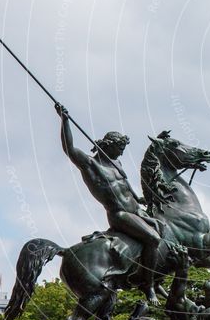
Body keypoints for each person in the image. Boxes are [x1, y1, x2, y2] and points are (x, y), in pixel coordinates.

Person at [55, 103, 163, 304]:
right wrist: (65, 121)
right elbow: (69, 149)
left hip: (136, 210)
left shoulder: (117, 164)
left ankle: (155, 279)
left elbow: (126, 188)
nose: (121, 152)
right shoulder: (91, 165)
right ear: (108, 145)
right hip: (120, 214)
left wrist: (139, 198)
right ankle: (148, 286)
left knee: (163, 228)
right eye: (119, 148)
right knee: (153, 239)